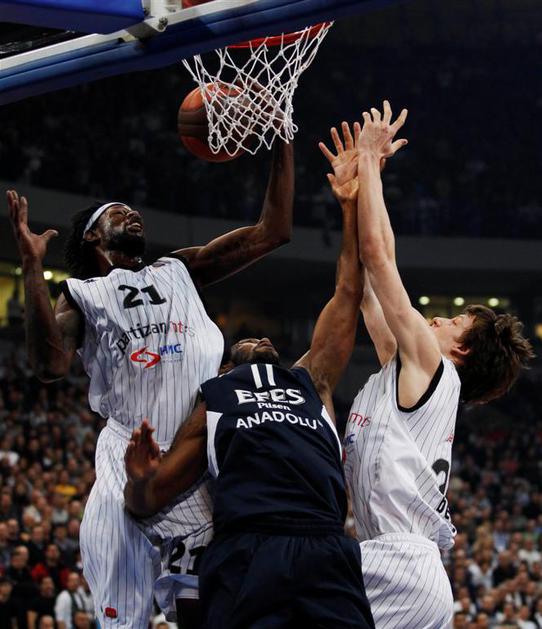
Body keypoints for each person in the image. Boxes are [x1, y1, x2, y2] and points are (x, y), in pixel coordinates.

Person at [6, 140, 294, 628]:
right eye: (118, 213)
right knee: (124, 620)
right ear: (94, 236)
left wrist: (282, 139)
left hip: (195, 466)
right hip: (126, 463)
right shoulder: (84, 295)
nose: (133, 213)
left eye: (133, 209)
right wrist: (33, 267)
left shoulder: (179, 269)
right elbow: (49, 365)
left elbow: (274, 231)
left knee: (215, 615)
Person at [123, 167, 375, 629]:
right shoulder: (216, 397)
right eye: (246, 339)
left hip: (325, 542)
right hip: (249, 549)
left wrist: (350, 207)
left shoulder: (311, 380)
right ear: (225, 365)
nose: (260, 338)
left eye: (264, 339)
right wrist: (139, 480)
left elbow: (347, 292)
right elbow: (149, 498)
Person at [320, 103, 534, 628]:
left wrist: (370, 159)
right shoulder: (407, 371)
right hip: (395, 565)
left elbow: (380, 258)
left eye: (453, 322)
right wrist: (354, 200)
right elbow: (365, 290)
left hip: (399, 567)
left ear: (462, 351)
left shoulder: (432, 366)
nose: (435, 319)